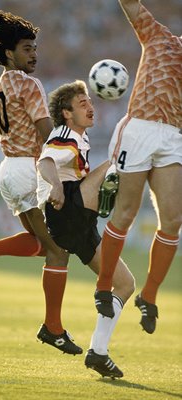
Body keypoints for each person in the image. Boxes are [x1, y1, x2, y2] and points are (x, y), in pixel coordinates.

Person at [0, 0, 82, 356]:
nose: (34, 55)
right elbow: (47, 134)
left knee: (43, 245)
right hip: (28, 169)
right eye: (27, 49)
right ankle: (53, 328)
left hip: (9, 170)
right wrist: (70, 166)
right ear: (9, 52)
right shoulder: (30, 85)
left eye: (35, 48)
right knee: (59, 252)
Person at [37, 80, 135, 378]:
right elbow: (46, 160)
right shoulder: (66, 134)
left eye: (90, 102)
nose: (91, 107)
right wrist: (55, 186)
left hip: (81, 224)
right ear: (66, 113)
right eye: (82, 104)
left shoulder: (80, 137)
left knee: (126, 283)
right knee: (121, 156)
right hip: (67, 212)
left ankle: (98, 351)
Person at [95, 0, 182, 334]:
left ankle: (149, 295)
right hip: (141, 128)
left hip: (173, 137)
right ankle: (104, 286)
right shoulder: (159, 37)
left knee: (173, 220)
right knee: (126, 212)